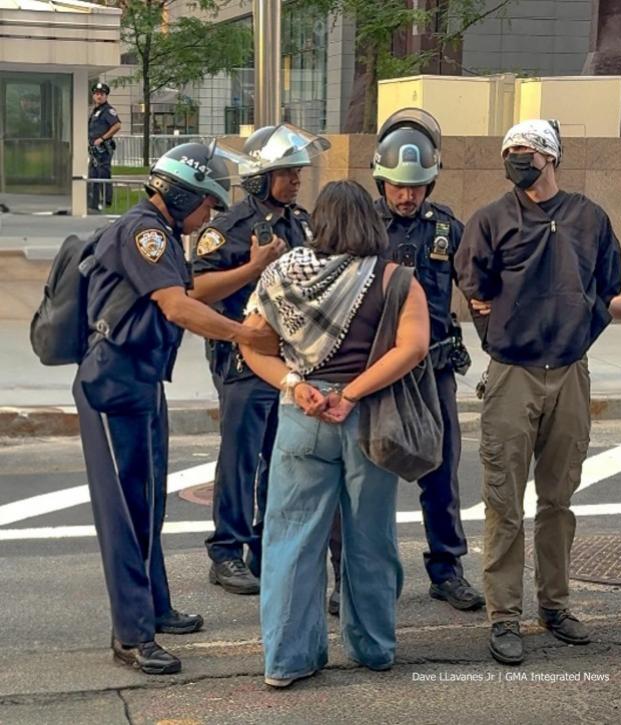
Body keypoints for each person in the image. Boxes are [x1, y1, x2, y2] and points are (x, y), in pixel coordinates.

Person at [73, 142, 277, 675]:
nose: (210, 213)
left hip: (141, 379)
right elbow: (177, 305)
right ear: (180, 195)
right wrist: (243, 336)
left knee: (148, 505)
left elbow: (192, 289)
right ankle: (132, 635)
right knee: (126, 514)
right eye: (205, 203)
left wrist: (253, 268)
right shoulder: (143, 232)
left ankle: (156, 607)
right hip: (114, 383)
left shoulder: (160, 234)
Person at [240, 179, 430, 688]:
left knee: (291, 540)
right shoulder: (396, 278)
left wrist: (295, 383)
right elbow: (412, 348)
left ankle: (286, 659)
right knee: (369, 537)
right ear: (369, 221)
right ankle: (373, 648)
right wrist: (351, 394)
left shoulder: (284, 273)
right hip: (366, 418)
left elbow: (252, 345)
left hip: (302, 415)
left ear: (318, 222)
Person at [454, 119, 621, 665]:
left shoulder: (589, 218)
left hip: (570, 371)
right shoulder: (491, 219)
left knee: (559, 498)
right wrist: (501, 329)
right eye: (509, 151)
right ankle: (504, 615)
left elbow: (609, 283)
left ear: (550, 156)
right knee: (504, 501)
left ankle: (556, 604)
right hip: (513, 374)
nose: (515, 158)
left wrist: (582, 324)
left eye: (524, 150)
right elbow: (473, 285)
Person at [326, 109, 484, 617]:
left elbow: (478, 293)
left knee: (441, 472)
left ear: (431, 182)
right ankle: (347, 574)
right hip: (372, 371)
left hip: (432, 368)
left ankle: (447, 569)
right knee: (359, 476)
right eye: (397, 185)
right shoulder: (361, 228)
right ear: (380, 180)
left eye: (416, 186)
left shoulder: (447, 229)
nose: (407, 195)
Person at [191, 124, 330, 595]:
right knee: (240, 457)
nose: (295, 181)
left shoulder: (301, 222)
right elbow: (196, 291)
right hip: (241, 357)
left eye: (297, 173)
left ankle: (266, 547)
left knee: (282, 456)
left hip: (289, 359)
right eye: (286, 173)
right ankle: (226, 550)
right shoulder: (227, 228)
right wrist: (251, 267)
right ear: (258, 176)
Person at [88, 81, 121, 211]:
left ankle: (106, 201)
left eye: (101, 94)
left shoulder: (108, 110)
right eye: (96, 94)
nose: (99, 96)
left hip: (103, 149)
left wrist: (102, 138)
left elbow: (117, 125)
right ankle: (94, 203)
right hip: (94, 150)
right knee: (94, 175)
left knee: (104, 175)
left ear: (106, 96)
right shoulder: (95, 111)